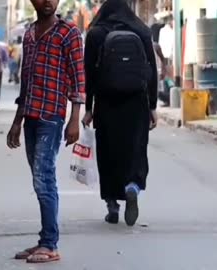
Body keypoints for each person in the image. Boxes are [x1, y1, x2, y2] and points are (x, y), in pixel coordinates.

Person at [7, 0, 85, 264]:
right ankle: (44, 239)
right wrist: (17, 122)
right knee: (38, 179)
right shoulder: (29, 34)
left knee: (44, 178)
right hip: (30, 116)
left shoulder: (69, 33)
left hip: (52, 116)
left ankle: (50, 244)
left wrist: (75, 119)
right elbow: (25, 81)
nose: (48, 1)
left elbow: (78, 78)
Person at [82, 0, 158, 227]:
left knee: (109, 153)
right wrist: (153, 106)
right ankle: (132, 186)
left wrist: (88, 108)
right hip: (136, 103)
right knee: (135, 150)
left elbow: (89, 75)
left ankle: (112, 205)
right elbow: (151, 71)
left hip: (106, 103)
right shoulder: (141, 30)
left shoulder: (96, 33)